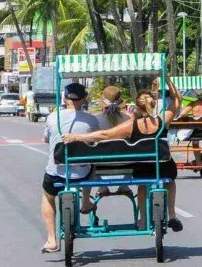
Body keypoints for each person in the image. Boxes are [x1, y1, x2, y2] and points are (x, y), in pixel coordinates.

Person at [64, 80, 182, 232]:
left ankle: (144, 219)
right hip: (163, 166)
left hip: (135, 167)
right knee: (170, 180)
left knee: (143, 184)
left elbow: (105, 135)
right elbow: (177, 100)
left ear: (137, 108)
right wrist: (168, 80)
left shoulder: (130, 124)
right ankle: (172, 215)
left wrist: (76, 137)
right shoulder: (160, 120)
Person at [39, 82, 101, 253]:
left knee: (48, 196)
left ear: (65, 98)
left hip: (56, 173)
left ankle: (52, 239)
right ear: (84, 99)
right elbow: (95, 142)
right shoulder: (91, 120)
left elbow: (45, 139)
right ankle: (86, 201)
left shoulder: (53, 117)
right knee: (91, 163)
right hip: (82, 174)